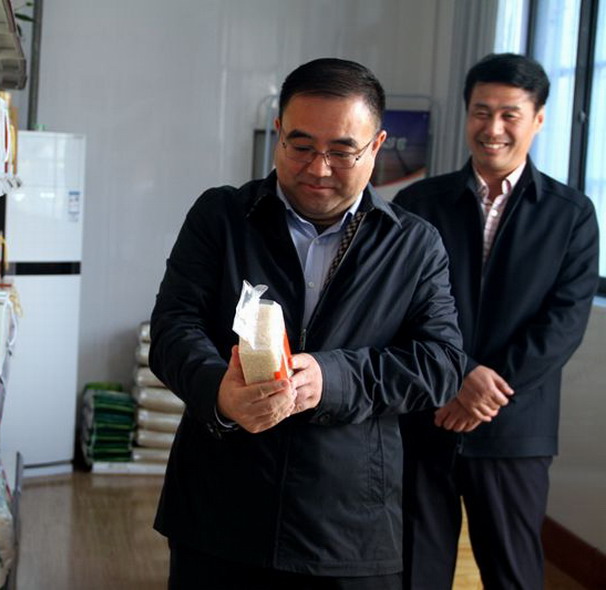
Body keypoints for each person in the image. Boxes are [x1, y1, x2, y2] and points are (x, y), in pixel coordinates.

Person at [149, 58, 466, 589]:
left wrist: (332, 378)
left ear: (377, 146)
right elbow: (173, 328)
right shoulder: (222, 217)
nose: (318, 168)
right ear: (278, 133)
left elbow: (442, 363)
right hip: (220, 512)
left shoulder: (413, 244)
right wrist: (219, 392)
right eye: (300, 146)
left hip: (345, 526)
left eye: (342, 151)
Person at [395, 53, 600, 590]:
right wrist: (459, 374)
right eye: (481, 112)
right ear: (467, 115)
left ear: (539, 119)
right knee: (414, 572)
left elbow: (563, 324)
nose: (493, 128)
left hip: (515, 428)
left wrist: (484, 390)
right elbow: (400, 306)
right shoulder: (419, 202)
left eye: (510, 114)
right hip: (427, 415)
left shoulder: (572, 214)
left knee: (513, 575)